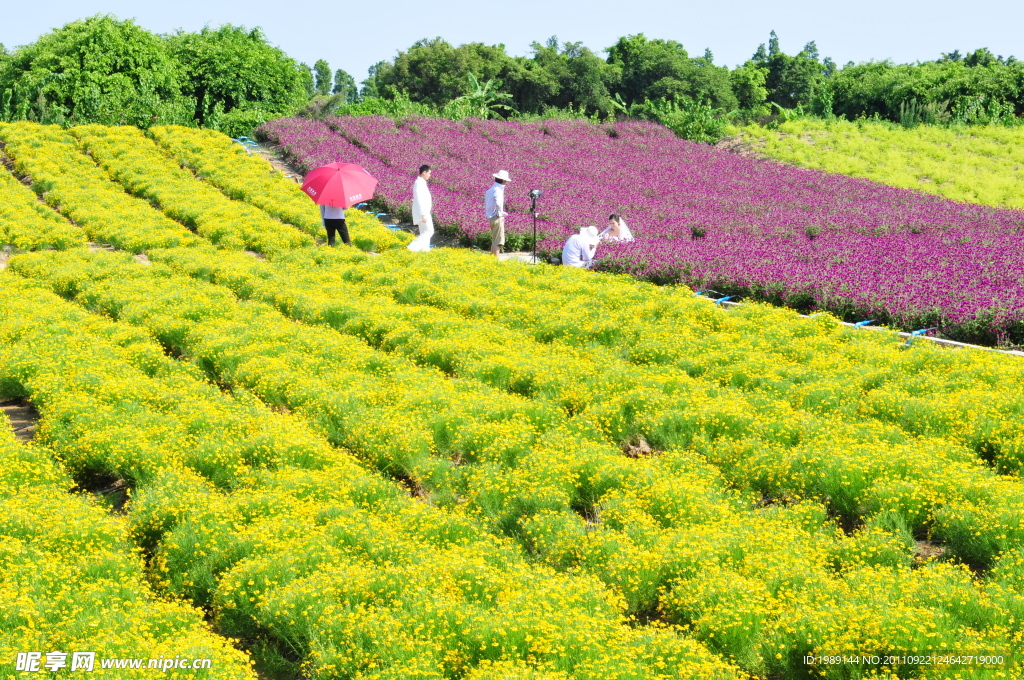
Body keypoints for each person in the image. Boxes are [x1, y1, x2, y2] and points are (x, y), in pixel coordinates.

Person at [485, 170, 511, 257]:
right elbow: (498, 203)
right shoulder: (498, 190)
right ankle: (495, 261)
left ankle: (492, 260)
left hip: (491, 217)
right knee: (498, 242)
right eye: (506, 180)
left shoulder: (490, 190)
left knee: (494, 240)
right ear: (503, 180)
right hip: (497, 217)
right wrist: (501, 214)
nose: (507, 182)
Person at [407, 164, 434, 252]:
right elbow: (419, 199)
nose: (430, 175)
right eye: (429, 173)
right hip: (423, 213)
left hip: (424, 212)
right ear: (424, 172)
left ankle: (424, 251)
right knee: (429, 231)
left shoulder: (421, 182)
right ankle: (412, 247)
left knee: (424, 232)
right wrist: (423, 214)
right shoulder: (419, 183)